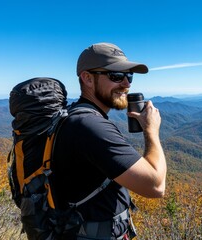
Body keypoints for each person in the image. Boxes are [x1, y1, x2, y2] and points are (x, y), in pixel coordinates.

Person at [52, 42, 167, 239]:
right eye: (116, 75)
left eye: (129, 75)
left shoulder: (76, 116)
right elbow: (155, 185)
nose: (127, 83)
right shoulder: (90, 126)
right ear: (87, 78)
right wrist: (152, 130)